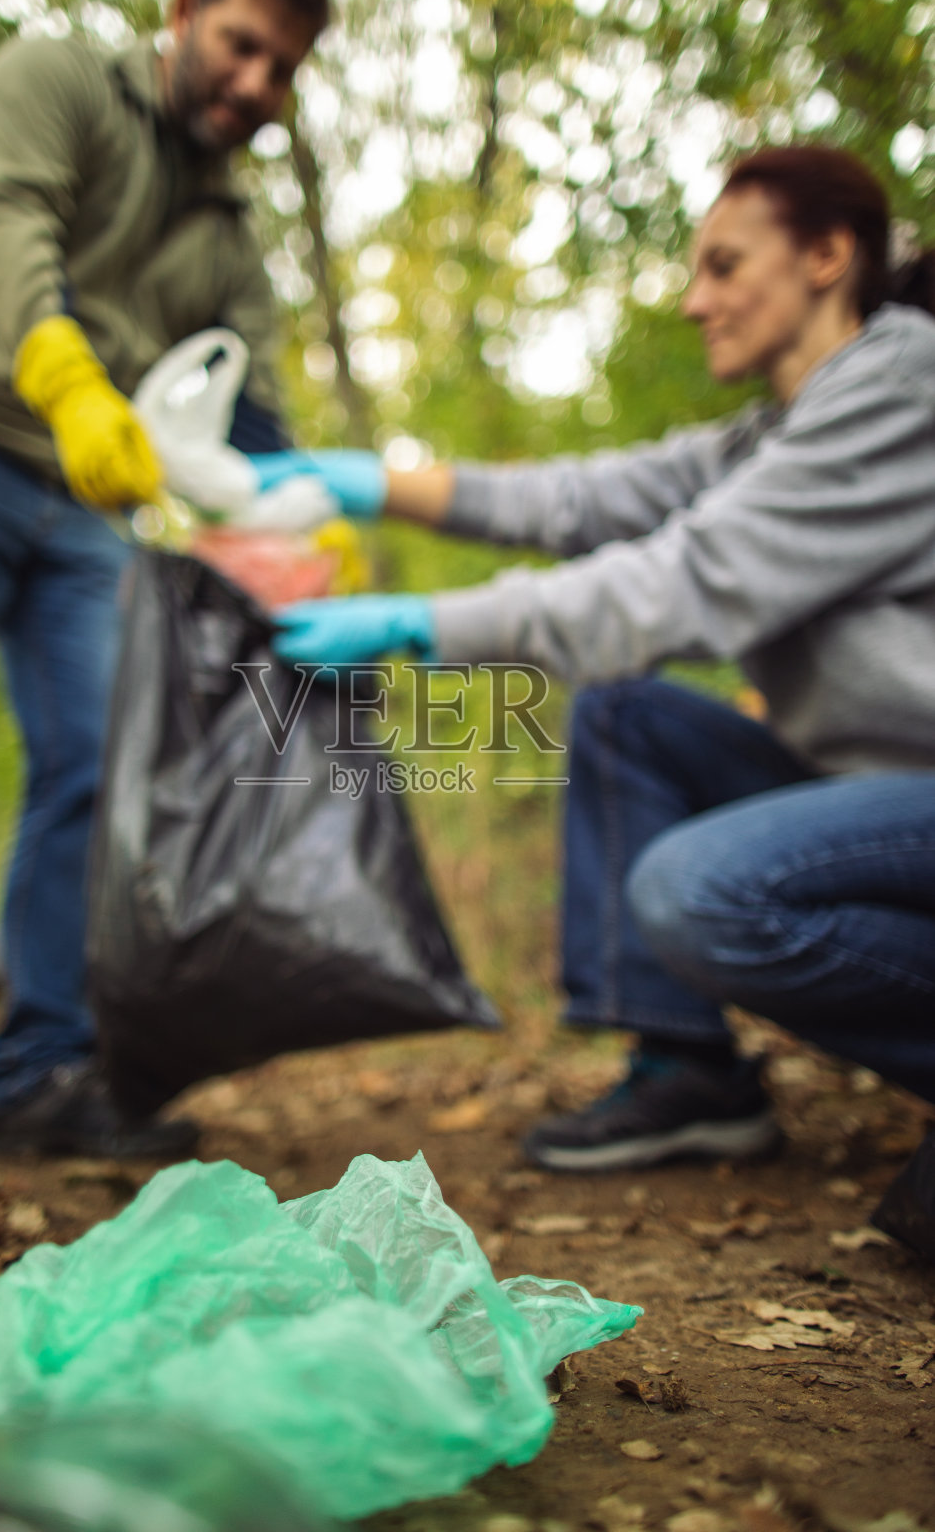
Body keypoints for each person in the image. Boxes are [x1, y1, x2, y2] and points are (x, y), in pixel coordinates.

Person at [252, 145, 935, 1258]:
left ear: (825, 256)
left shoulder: (901, 386)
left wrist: (421, 625)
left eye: (722, 265)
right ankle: (686, 1070)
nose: (690, 298)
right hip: (863, 796)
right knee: (624, 715)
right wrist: (371, 479)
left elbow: (683, 582)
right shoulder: (769, 431)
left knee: (696, 887)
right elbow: (579, 500)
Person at [0, 0, 329, 1157]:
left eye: (279, 70)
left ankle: (43, 1078)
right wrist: (67, 378)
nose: (252, 84)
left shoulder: (229, 229)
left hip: (86, 506)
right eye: (240, 46)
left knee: (96, 762)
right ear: (183, 11)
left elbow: (254, 407)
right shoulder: (57, 78)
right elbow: (4, 222)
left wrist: (292, 521)